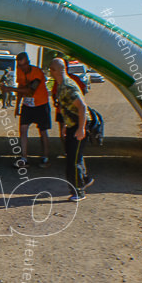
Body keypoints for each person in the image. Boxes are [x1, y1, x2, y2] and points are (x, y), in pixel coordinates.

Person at [49, 57, 94, 201]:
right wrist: (64, 126)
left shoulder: (68, 86)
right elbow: (64, 108)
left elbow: (82, 107)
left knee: (72, 162)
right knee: (74, 156)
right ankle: (85, 179)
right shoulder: (60, 85)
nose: (50, 71)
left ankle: (78, 191)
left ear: (58, 70)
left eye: (52, 69)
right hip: (72, 125)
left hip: (79, 125)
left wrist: (81, 129)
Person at [0, 52, 50, 168]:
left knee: (43, 131)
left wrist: (9, 89)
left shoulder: (37, 72)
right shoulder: (20, 71)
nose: (23, 68)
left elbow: (30, 91)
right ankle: (24, 158)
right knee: (23, 129)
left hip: (41, 104)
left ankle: (45, 157)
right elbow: (21, 88)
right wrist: (17, 105)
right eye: (20, 66)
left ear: (28, 62)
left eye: (24, 65)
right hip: (27, 105)